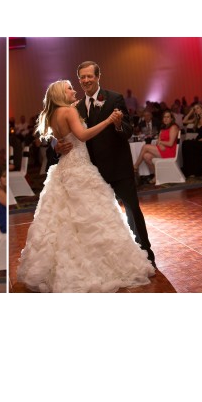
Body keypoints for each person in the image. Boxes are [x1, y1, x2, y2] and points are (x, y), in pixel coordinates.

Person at [17, 80, 154, 292]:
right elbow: (82, 135)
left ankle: (65, 268)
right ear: (61, 93)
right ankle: (98, 268)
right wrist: (108, 120)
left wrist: (59, 144)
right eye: (70, 88)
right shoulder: (69, 112)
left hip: (64, 169)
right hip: (80, 168)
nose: (74, 90)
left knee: (66, 222)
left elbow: (59, 140)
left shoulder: (54, 113)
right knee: (93, 218)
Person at [60, 60, 155, 266]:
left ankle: (146, 253)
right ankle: (107, 262)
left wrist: (119, 124)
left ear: (98, 77)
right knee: (98, 218)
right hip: (91, 172)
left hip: (117, 167)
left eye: (89, 76)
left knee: (132, 209)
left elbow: (128, 131)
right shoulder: (75, 108)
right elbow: (67, 137)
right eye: (82, 77)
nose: (86, 80)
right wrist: (57, 147)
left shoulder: (114, 98)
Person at [133, 110, 179, 178]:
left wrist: (161, 143)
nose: (165, 119)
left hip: (170, 151)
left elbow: (170, 143)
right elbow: (158, 141)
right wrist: (160, 144)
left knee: (145, 147)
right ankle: (157, 176)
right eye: (164, 117)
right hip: (163, 149)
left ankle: (135, 166)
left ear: (171, 119)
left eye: (168, 117)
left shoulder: (173, 127)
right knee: (146, 156)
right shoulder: (163, 128)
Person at [181, 103, 202, 176]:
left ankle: (194, 170)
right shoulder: (196, 119)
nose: (196, 110)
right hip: (198, 141)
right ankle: (189, 170)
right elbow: (184, 121)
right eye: (195, 109)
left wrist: (198, 141)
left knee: (188, 144)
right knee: (185, 143)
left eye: (198, 108)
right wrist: (191, 111)